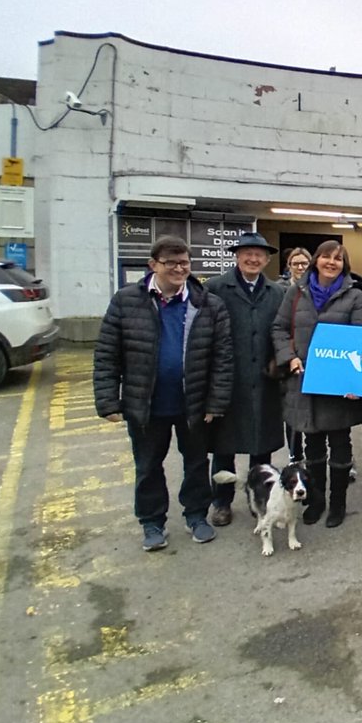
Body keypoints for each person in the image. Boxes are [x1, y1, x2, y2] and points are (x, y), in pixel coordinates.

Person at [93, 236, 233, 551]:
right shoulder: (126, 301)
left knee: (196, 463)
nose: (179, 269)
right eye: (171, 263)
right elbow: (106, 354)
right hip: (145, 404)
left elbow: (223, 359)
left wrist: (216, 401)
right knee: (147, 466)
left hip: (193, 403)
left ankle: (196, 515)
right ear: (153, 265)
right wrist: (107, 400)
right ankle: (152, 522)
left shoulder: (207, 303)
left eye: (184, 263)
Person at [272, 240, 362, 528]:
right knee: (313, 447)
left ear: (344, 264)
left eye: (338, 259)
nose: (331, 262)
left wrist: (358, 382)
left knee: (340, 446)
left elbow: (361, 341)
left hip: (339, 386)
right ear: (316, 260)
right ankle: (316, 500)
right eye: (326, 257)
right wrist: (289, 358)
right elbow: (278, 328)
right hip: (304, 382)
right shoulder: (295, 292)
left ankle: (338, 503)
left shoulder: (355, 296)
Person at [206, 232, 287, 527]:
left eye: (259, 255)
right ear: (237, 256)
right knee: (223, 446)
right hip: (228, 378)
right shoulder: (215, 288)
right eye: (247, 253)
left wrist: (279, 360)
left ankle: (260, 501)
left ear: (267, 259)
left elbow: (282, 331)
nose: (253, 259)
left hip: (264, 379)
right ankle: (221, 502)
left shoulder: (277, 292)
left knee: (260, 447)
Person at [279, 247, 312, 462]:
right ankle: (295, 455)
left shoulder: (317, 288)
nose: (300, 267)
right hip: (290, 356)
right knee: (291, 410)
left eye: (304, 263)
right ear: (288, 266)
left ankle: (312, 455)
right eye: (295, 263)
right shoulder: (279, 290)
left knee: (314, 410)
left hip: (314, 356)